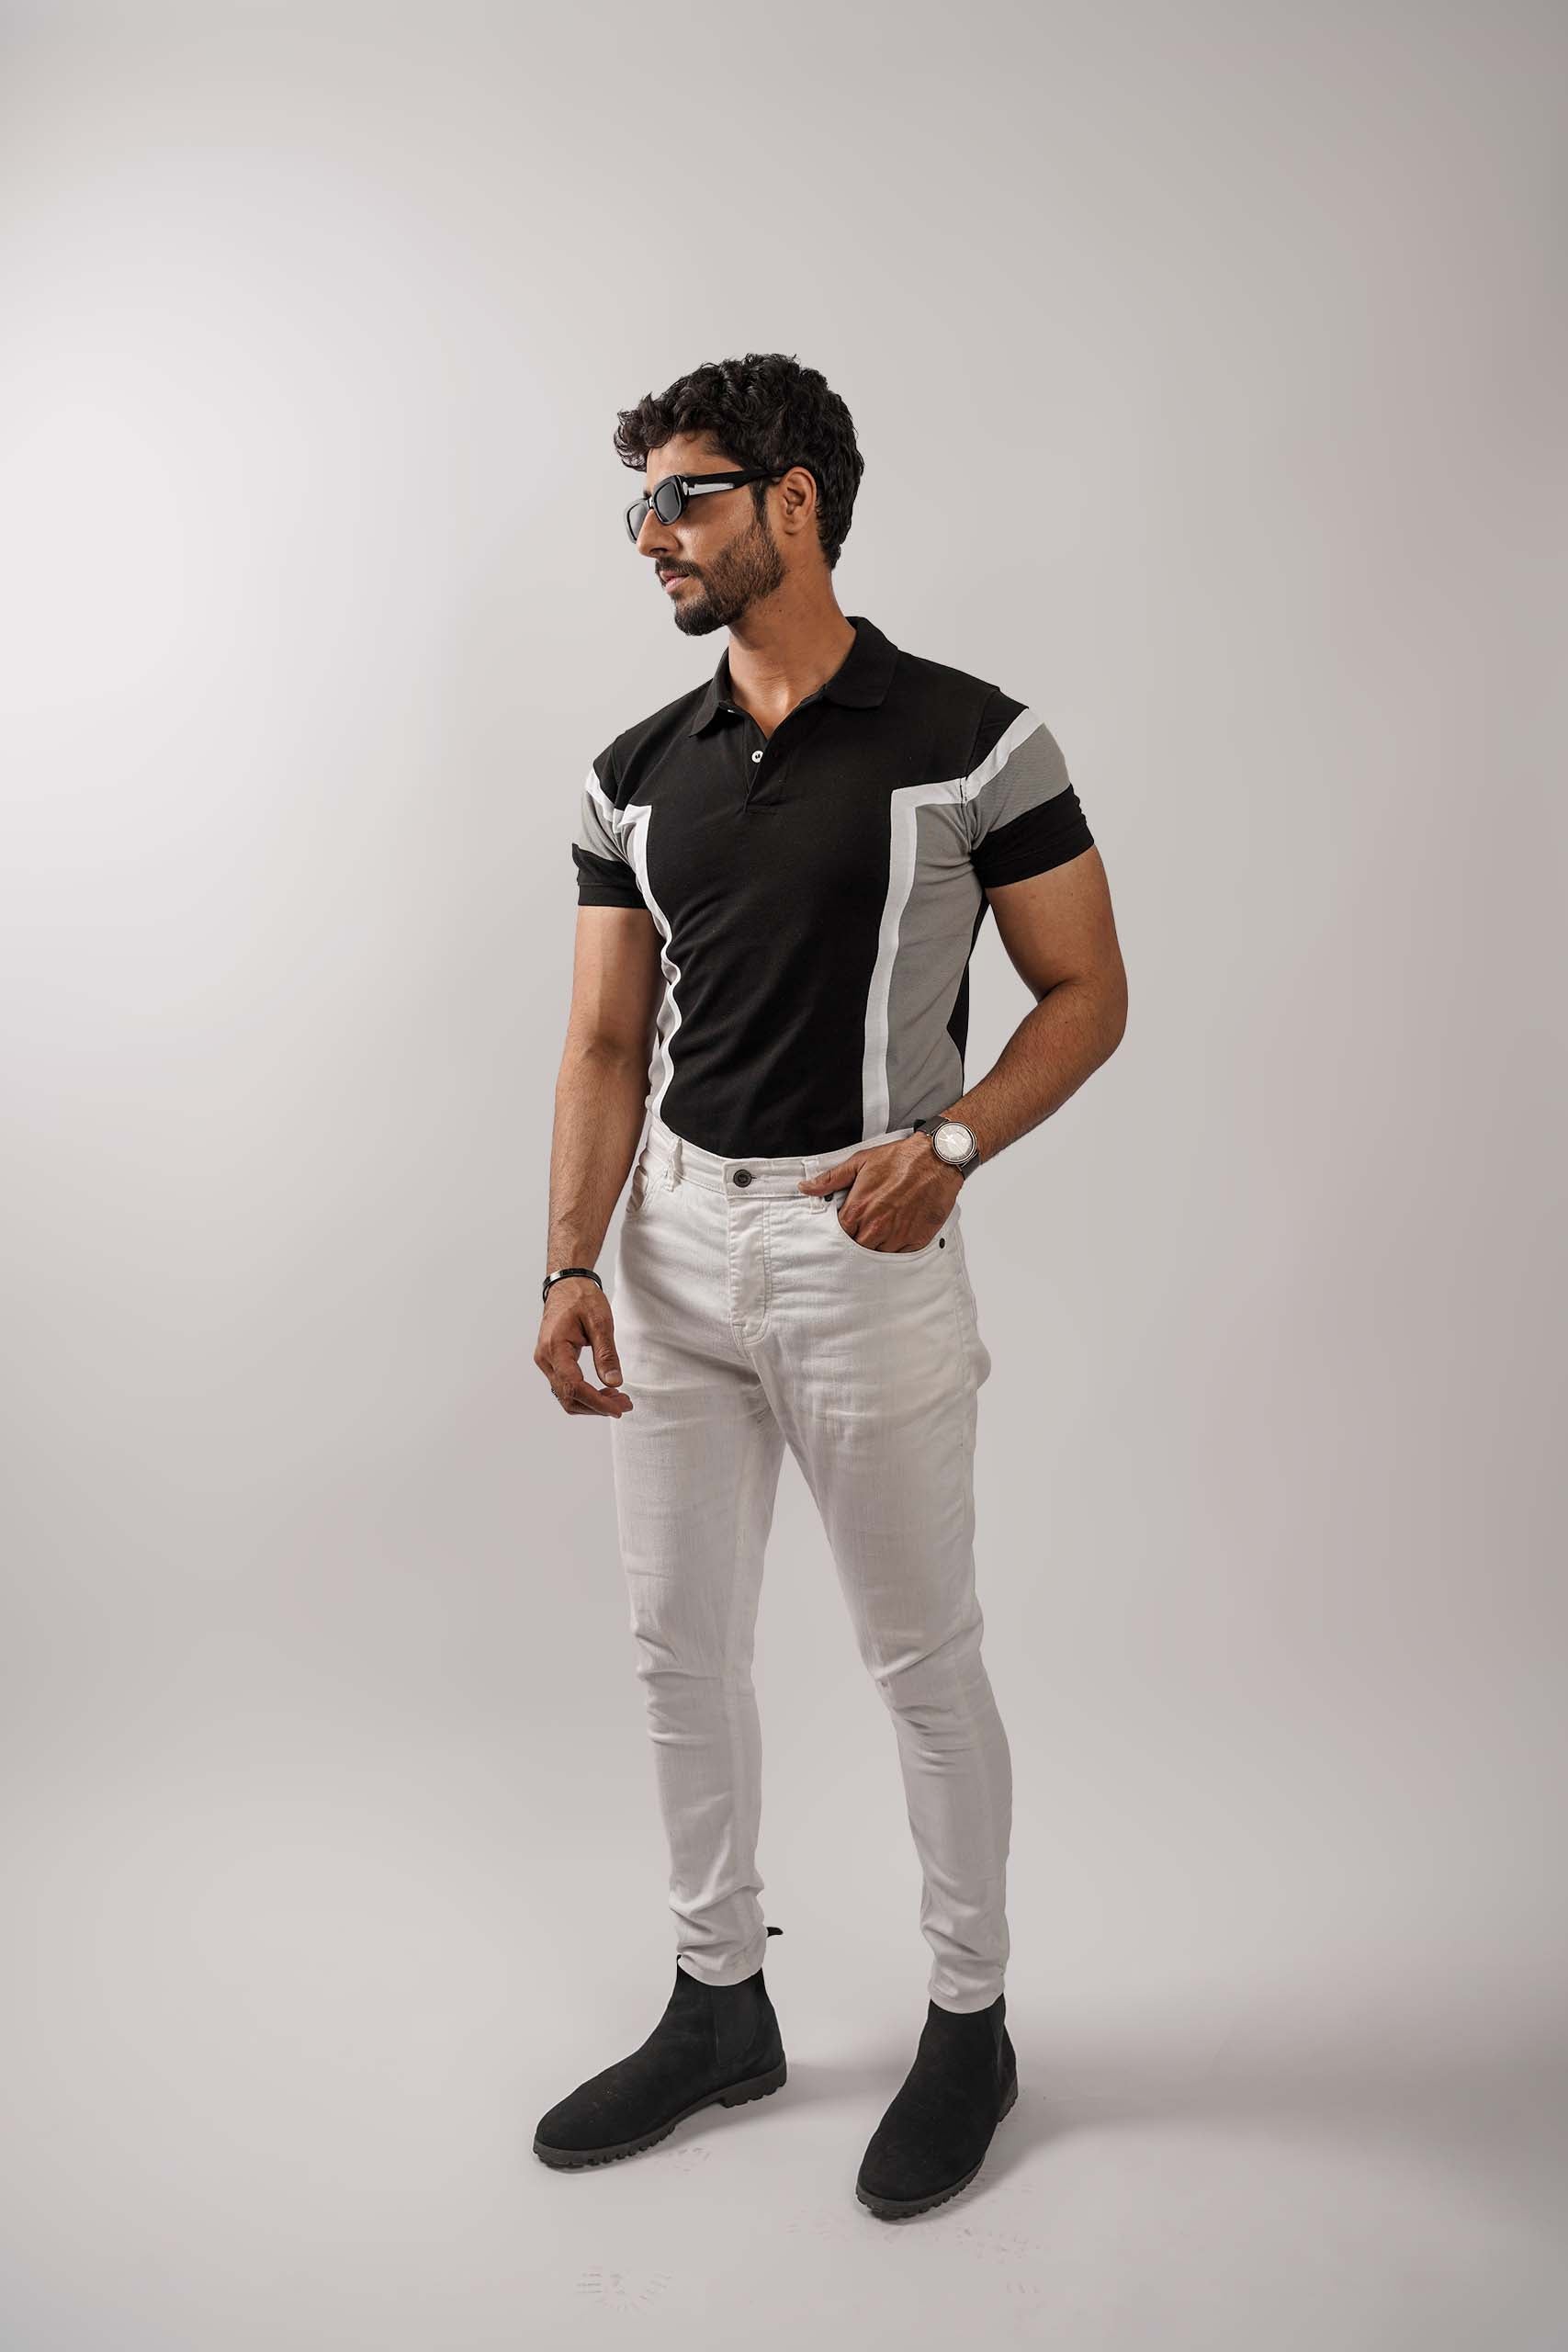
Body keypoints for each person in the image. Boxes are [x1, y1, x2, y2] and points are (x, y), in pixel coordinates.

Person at [532, 352, 1127, 2218]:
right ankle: (719, 2003)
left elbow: (1088, 991)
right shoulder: (631, 772)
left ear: (794, 500)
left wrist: (949, 1144)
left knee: (917, 1654)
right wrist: (569, 1258)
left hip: (865, 1243)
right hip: (670, 1245)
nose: (652, 534)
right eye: (638, 503)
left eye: (685, 495)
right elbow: (604, 1042)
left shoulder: (974, 740)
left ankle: (970, 2022)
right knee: (675, 1649)